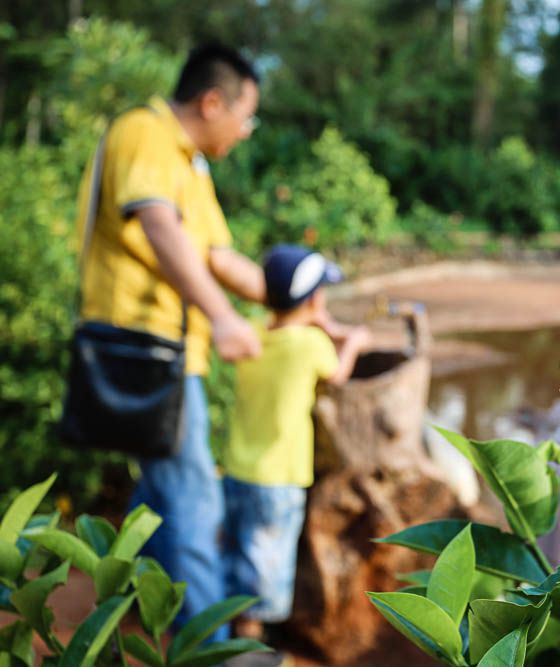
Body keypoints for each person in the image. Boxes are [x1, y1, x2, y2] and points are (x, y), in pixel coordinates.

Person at [75, 44, 264, 641]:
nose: (246, 130)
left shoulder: (190, 163)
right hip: (147, 354)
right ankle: (212, 649)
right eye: (246, 116)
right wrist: (225, 319)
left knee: (159, 497)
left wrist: (301, 304)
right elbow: (158, 225)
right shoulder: (144, 131)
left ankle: (131, 612)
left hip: (172, 355)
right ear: (213, 103)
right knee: (193, 504)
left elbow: (220, 257)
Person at [221, 245, 370, 665]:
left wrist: (316, 320)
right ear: (314, 300)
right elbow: (338, 373)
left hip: (238, 466)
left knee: (240, 551)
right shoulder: (309, 345)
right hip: (280, 475)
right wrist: (353, 340)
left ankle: (235, 636)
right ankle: (252, 650)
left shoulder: (253, 333)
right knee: (266, 563)